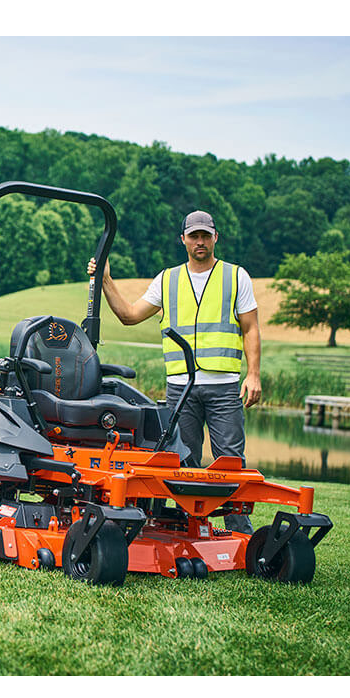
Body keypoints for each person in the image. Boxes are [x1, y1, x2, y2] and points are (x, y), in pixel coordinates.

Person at [87, 210, 261, 532]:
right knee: (182, 464)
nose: (199, 241)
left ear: (215, 238)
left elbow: (250, 328)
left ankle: (241, 534)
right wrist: (106, 280)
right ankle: (189, 530)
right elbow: (128, 315)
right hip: (181, 390)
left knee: (232, 464)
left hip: (224, 387)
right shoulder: (167, 280)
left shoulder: (237, 277)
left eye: (205, 236)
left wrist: (253, 374)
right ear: (183, 239)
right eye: (193, 236)